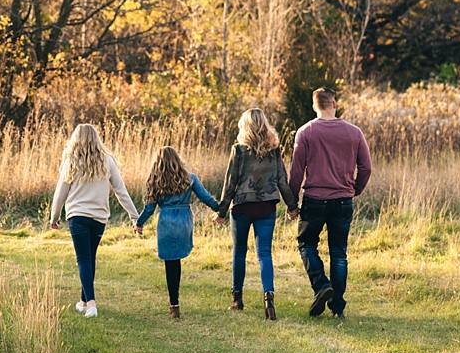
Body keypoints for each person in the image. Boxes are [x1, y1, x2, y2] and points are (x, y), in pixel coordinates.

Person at [288, 87, 373, 319]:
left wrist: (292, 203)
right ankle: (337, 308)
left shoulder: (305, 132)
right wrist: (355, 190)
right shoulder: (354, 133)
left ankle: (321, 285)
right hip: (342, 201)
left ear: (314, 106)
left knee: (306, 244)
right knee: (339, 252)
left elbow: (296, 172)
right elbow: (366, 167)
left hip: (314, 199)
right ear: (334, 104)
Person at [49, 123, 140, 318]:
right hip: (99, 218)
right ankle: (83, 301)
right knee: (90, 257)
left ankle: (91, 304)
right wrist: (135, 217)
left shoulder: (71, 161)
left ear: (76, 140)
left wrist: (54, 217)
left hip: (77, 216)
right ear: (96, 139)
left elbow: (60, 193)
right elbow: (120, 191)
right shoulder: (107, 161)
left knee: (84, 259)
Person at [213, 108, 296, 320]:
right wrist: (292, 205)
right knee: (264, 254)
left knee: (239, 252)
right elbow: (282, 180)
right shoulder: (274, 150)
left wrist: (221, 211)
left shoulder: (239, 150)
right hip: (266, 207)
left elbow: (230, 182)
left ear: (245, 126)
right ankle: (268, 300)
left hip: (242, 206)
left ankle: (237, 298)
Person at [134, 146, 221, 319]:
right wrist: (221, 210)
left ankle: (174, 305)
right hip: (183, 223)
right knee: (177, 261)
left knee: (170, 264)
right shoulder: (190, 179)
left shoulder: (154, 181)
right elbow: (206, 198)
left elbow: (149, 208)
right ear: (177, 160)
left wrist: (139, 223)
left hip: (166, 223)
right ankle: (175, 302)